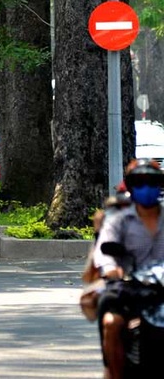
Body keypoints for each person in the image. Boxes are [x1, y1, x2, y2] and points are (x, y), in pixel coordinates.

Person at [93, 158, 164, 379]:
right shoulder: (119, 220)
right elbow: (104, 252)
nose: (146, 188)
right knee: (111, 322)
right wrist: (111, 269)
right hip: (130, 287)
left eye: (152, 182)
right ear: (131, 186)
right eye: (140, 182)